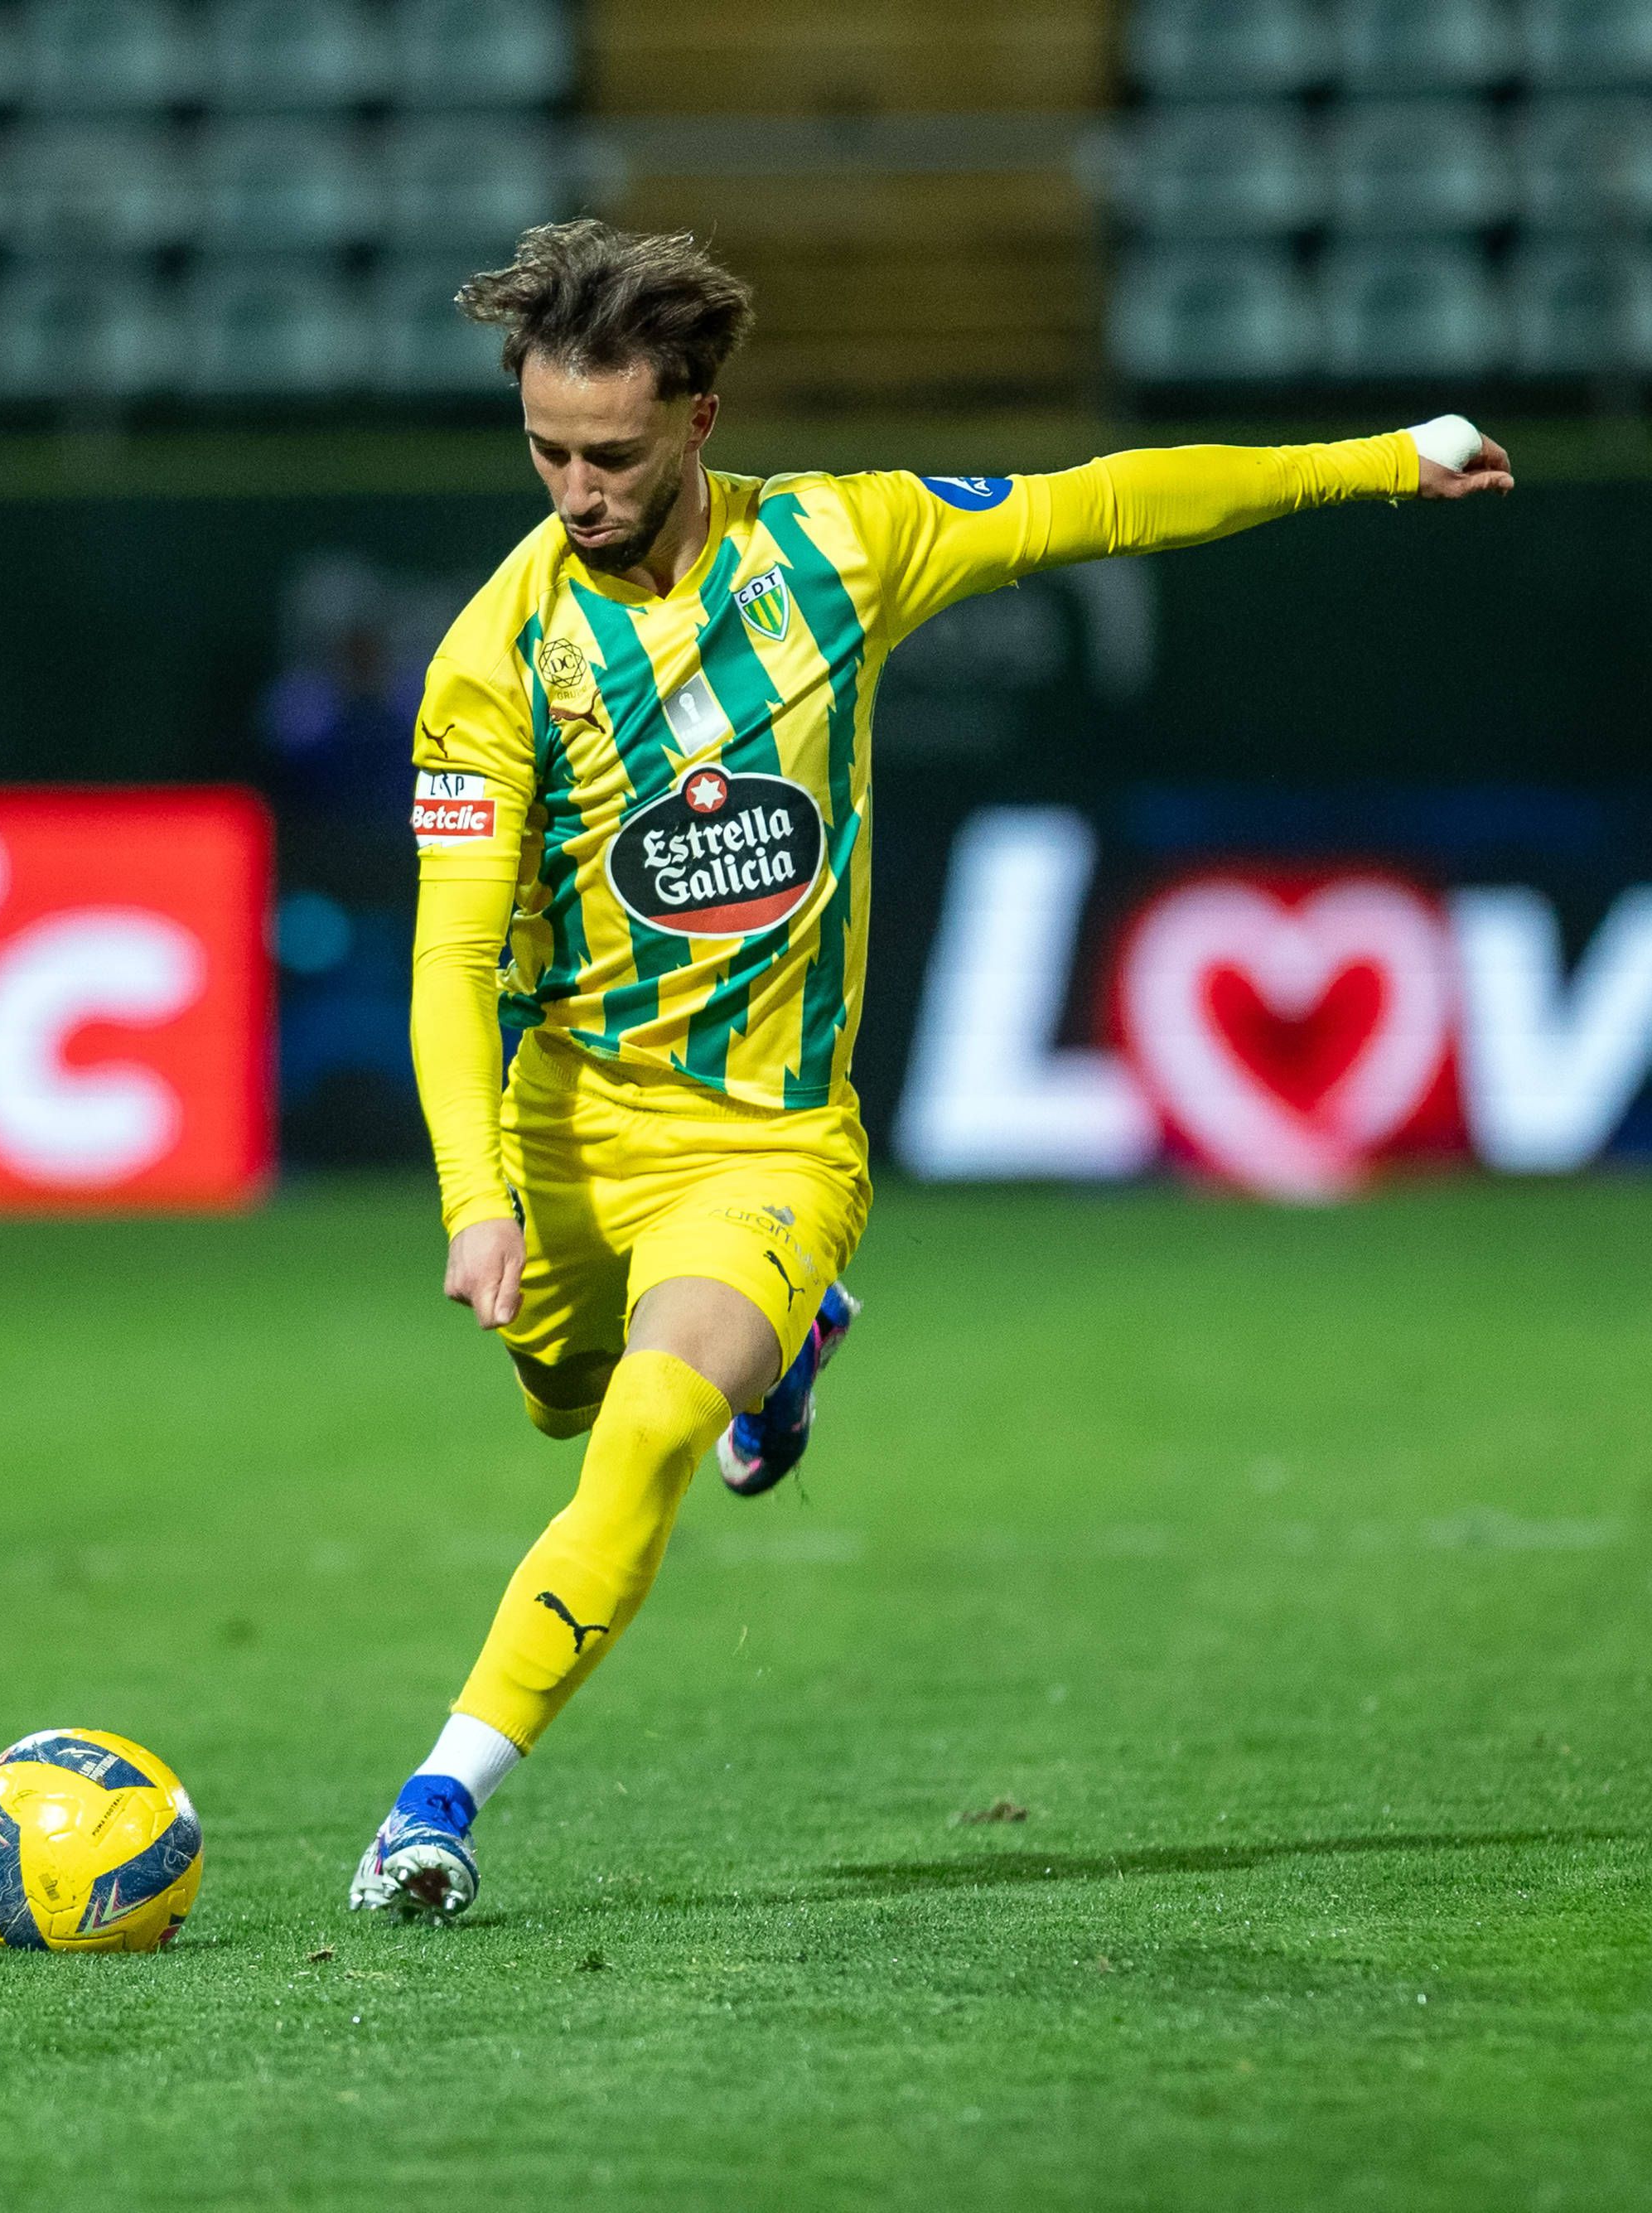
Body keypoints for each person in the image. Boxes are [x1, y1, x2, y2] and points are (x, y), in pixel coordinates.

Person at [350, 220, 1514, 1920]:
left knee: (653, 1427)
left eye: (608, 453)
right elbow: (452, 956)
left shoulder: (840, 540)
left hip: (767, 1143)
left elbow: (1102, 499)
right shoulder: (488, 658)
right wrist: (477, 1199)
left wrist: (1381, 461)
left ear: (698, 418)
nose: (573, 488)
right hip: (564, 1138)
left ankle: (433, 1803)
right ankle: (788, 1353)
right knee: (567, 1402)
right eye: (542, 450)